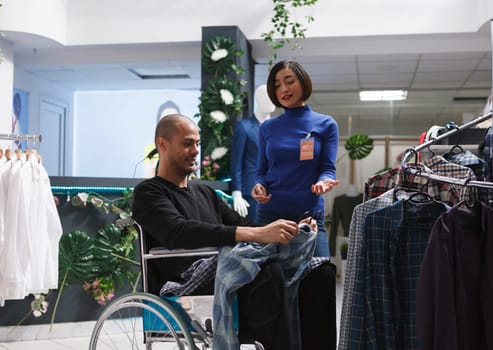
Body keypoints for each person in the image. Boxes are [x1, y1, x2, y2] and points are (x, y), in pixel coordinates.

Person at [132, 114, 336, 349]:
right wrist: (257, 235)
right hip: (189, 284)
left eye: (198, 143)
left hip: (228, 273)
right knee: (270, 272)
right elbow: (178, 231)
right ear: (162, 144)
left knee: (321, 273)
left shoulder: (205, 193)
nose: (196, 150)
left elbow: (245, 225)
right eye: (188, 143)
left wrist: (292, 228)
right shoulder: (148, 193)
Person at [252, 59, 340, 258]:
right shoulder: (267, 127)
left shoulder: (326, 124)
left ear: (303, 81)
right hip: (270, 215)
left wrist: (323, 182)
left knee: (320, 276)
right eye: (276, 85)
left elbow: (327, 168)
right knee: (270, 284)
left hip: (308, 217)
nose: (283, 88)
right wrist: (259, 186)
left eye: (289, 81)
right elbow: (261, 172)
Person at [230, 84, 275, 221]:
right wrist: (236, 193)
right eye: (267, 97)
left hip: (276, 190)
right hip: (252, 190)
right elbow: (236, 162)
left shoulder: (278, 128)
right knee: (256, 232)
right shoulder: (244, 127)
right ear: (259, 100)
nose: (272, 100)